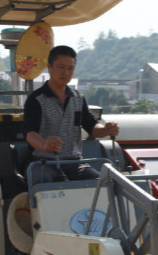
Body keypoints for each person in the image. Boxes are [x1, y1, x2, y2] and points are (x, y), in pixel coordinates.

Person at [22, 45, 119, 182]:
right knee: (43, 183)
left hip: (75, 163)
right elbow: (29, 132)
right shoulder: (36, 99)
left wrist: (106, 130)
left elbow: (91, 126)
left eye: (70, 68)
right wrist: (44, 144)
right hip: (43, 162)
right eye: (61, 67)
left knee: (101, 183)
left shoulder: (78, 98)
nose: (66, 73)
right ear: (49, 67)